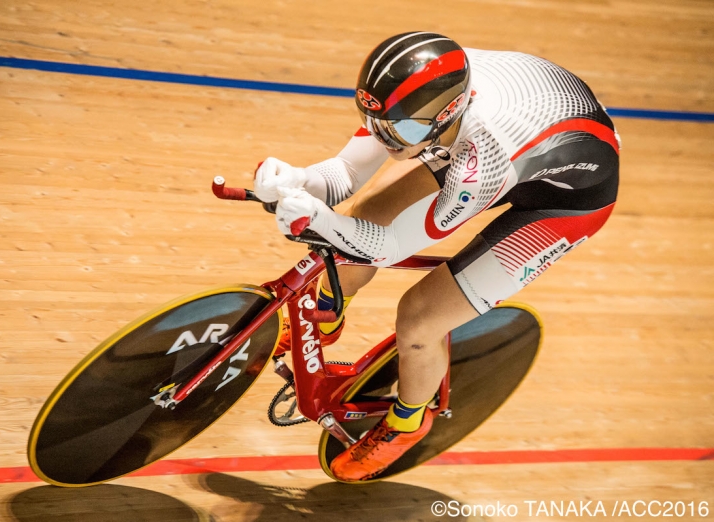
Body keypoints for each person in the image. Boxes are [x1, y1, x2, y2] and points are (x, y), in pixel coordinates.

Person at [253, 32, 620, 482]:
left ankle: (407, 422)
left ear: (446, 114)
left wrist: (321, 220)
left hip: (561, 199)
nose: (385, 140)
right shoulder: (408, 99)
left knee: (420, 319)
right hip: (524, 137)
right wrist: (298, 178)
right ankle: (325, 313)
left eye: (398, 131)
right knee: (367, 211)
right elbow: (346, 173)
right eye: (376, 122)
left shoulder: (483, 153)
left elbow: (390, 246)